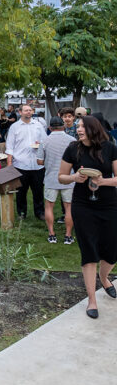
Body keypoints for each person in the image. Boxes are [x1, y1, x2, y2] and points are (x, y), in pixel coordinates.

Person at [58, 116, 117, 319]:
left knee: (111, 249)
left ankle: (104, 276)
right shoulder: (72, 148)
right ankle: (92, 299)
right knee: (89, 249)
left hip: (109, 205)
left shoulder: (110, 148)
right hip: (83, 205)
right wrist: (74, 177)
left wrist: (103, 182)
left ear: (93, 128)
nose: (78, 129)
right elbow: (61, 176)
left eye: (82, 126)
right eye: (78, 126)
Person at [36, 116, 76, 244]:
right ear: (63, 126)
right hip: (69, 178)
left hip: (51, 178)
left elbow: (40, 161)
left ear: (50, 128)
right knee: (69, 207)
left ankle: (51, 234)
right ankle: (68, 235)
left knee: (49, 207)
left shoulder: (45, 141)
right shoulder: (72, 140)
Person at [5, 104, 47, 220]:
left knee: (38, 190)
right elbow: (10, 146)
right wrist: (9, 164)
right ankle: (21, 213)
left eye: (30, 110)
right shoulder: (14, 127)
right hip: (20, 164)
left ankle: (40, 212)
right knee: (21, 191)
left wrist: (40, 144)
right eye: (26, 110)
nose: (29, 112)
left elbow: (45, 142)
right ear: (20, 112)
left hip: (37, 164)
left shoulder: (38, 125)